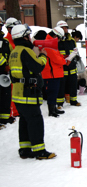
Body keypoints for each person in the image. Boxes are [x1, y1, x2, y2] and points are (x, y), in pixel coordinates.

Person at [9, 24, 56, 159]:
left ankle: (25, 149)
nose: (30, 38)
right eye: (28, 35)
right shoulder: (26, 50)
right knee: (35, 121)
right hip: (28, 93)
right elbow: (37, 67)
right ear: (23, 36)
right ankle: (39, 151)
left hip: (18, 93)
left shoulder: (15, 51)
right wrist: (42, 56)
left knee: (24, 120)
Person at [41, 27, 67, 117]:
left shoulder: (51, 43)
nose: (59, 41)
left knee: (54, 92)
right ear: (56, 36)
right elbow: (56, 58)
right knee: (52, 92)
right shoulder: (49, 44)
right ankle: (51, 111)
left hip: (54, 73)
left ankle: (53, 108)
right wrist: (64, 61)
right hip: (50, 74)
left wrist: (63, 57)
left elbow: (57, 55)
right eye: (59, 38)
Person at [56, 20, 81, 106]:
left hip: (72, 66)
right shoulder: (56, 41)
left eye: (66, 28)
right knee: (61, 86)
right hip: (61, 67)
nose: (64, 30)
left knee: (73, 84)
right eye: (62, 28)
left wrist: (70, 58)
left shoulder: (72, 41)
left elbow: (75, 51)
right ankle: (59, 103)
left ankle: (73, 100)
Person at [5, 17, 21, 119]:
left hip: (18, 71)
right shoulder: (6, 42)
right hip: (8, 72)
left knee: (17, 91)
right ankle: (12, 112)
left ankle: (16, 111)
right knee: (10, 93)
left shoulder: (16, 41)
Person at [0, 17, 14, 126]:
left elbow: (12, 54)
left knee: (5, 96)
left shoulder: (5, 42)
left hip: (4, 74)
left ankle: (5, 117)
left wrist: (10, 65)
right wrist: (5, 64)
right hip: (3, 69)